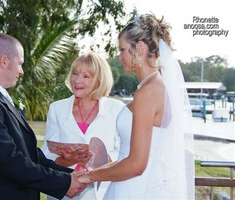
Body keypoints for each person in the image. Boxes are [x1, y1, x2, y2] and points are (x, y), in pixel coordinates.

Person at [0, 33, 89, 200]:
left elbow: (30, 154)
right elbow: (9, 161)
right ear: (4, 61)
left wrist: (72, 175)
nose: (21, 71)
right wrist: (64, 183)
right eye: (19, 64)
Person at [78, 13, 195, 199]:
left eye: (122, 49)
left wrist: (88, 177)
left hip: (136, 190)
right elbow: (132, 157)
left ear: (139, 48)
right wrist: (103, 166)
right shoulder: (155, 88)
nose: (119, 56)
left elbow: (136, 165)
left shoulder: (148, 93)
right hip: (136, 186)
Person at [41, 52, 125, 199]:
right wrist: (69, 159)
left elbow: (125, 152)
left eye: (86, 76)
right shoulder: (56, 108)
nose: (77, 80)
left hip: (103, 192)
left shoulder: (117, 109)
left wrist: (101, 158)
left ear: (99, 80)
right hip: (65, 189)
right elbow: (47, 153)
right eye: (75, 74)